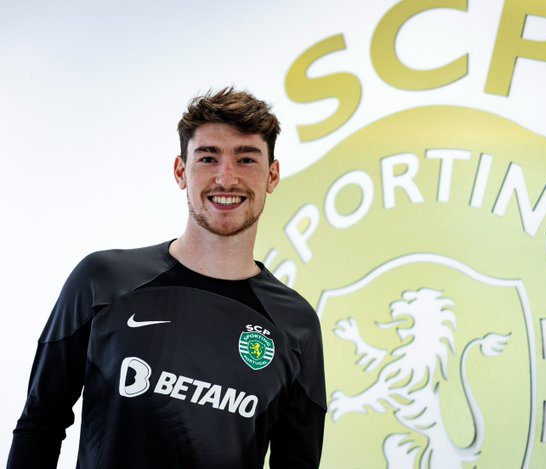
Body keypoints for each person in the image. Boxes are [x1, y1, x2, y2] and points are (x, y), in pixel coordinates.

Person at [7, 87, 326, 468]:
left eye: (246, 159)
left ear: (272, 176)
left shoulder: (295, 324)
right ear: (180, 171)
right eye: (208, 158)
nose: (226, 178)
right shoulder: (103, 282)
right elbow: (40, 422)